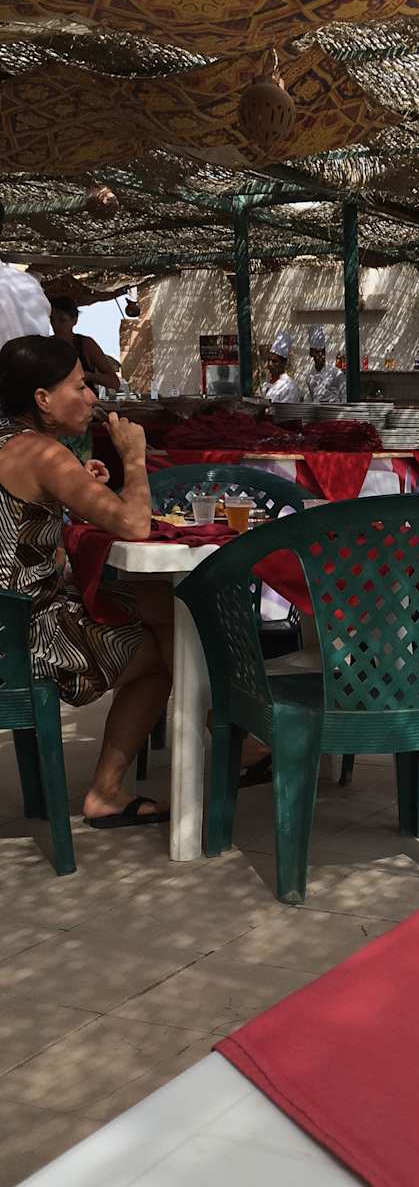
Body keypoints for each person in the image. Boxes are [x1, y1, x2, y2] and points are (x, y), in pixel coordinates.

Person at [0, 335, 172, 826]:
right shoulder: (43, 453)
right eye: (79, 386)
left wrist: (76, 484)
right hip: (26, 636)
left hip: (10, 620)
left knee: (156, 604)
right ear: (43, 399)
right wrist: (133, 457)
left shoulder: (13, 443)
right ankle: (107, 792)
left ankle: (234, 734)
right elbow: (135, 525)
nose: (92, 397)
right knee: (158, 655)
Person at [48, 295, 121, 392]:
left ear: (74, 320)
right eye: (52, 320)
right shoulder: (46, 345)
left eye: (62, 320)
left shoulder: (85, 344)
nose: (55, 325)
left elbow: (114, 382)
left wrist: (88, 376)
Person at [305, 324, 347, 404]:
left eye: (323, 351)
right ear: (311, 353)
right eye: (317, 352)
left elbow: (344, 397)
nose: (321, 355)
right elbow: (310, 399)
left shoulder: (336, 373)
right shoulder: (309, 377)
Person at [260, 329, 300, 403]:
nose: (270, 364)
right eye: (268, 360)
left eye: (274, 361)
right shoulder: (265, 384)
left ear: (283, 363)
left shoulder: (290, 386)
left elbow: (287, 408)